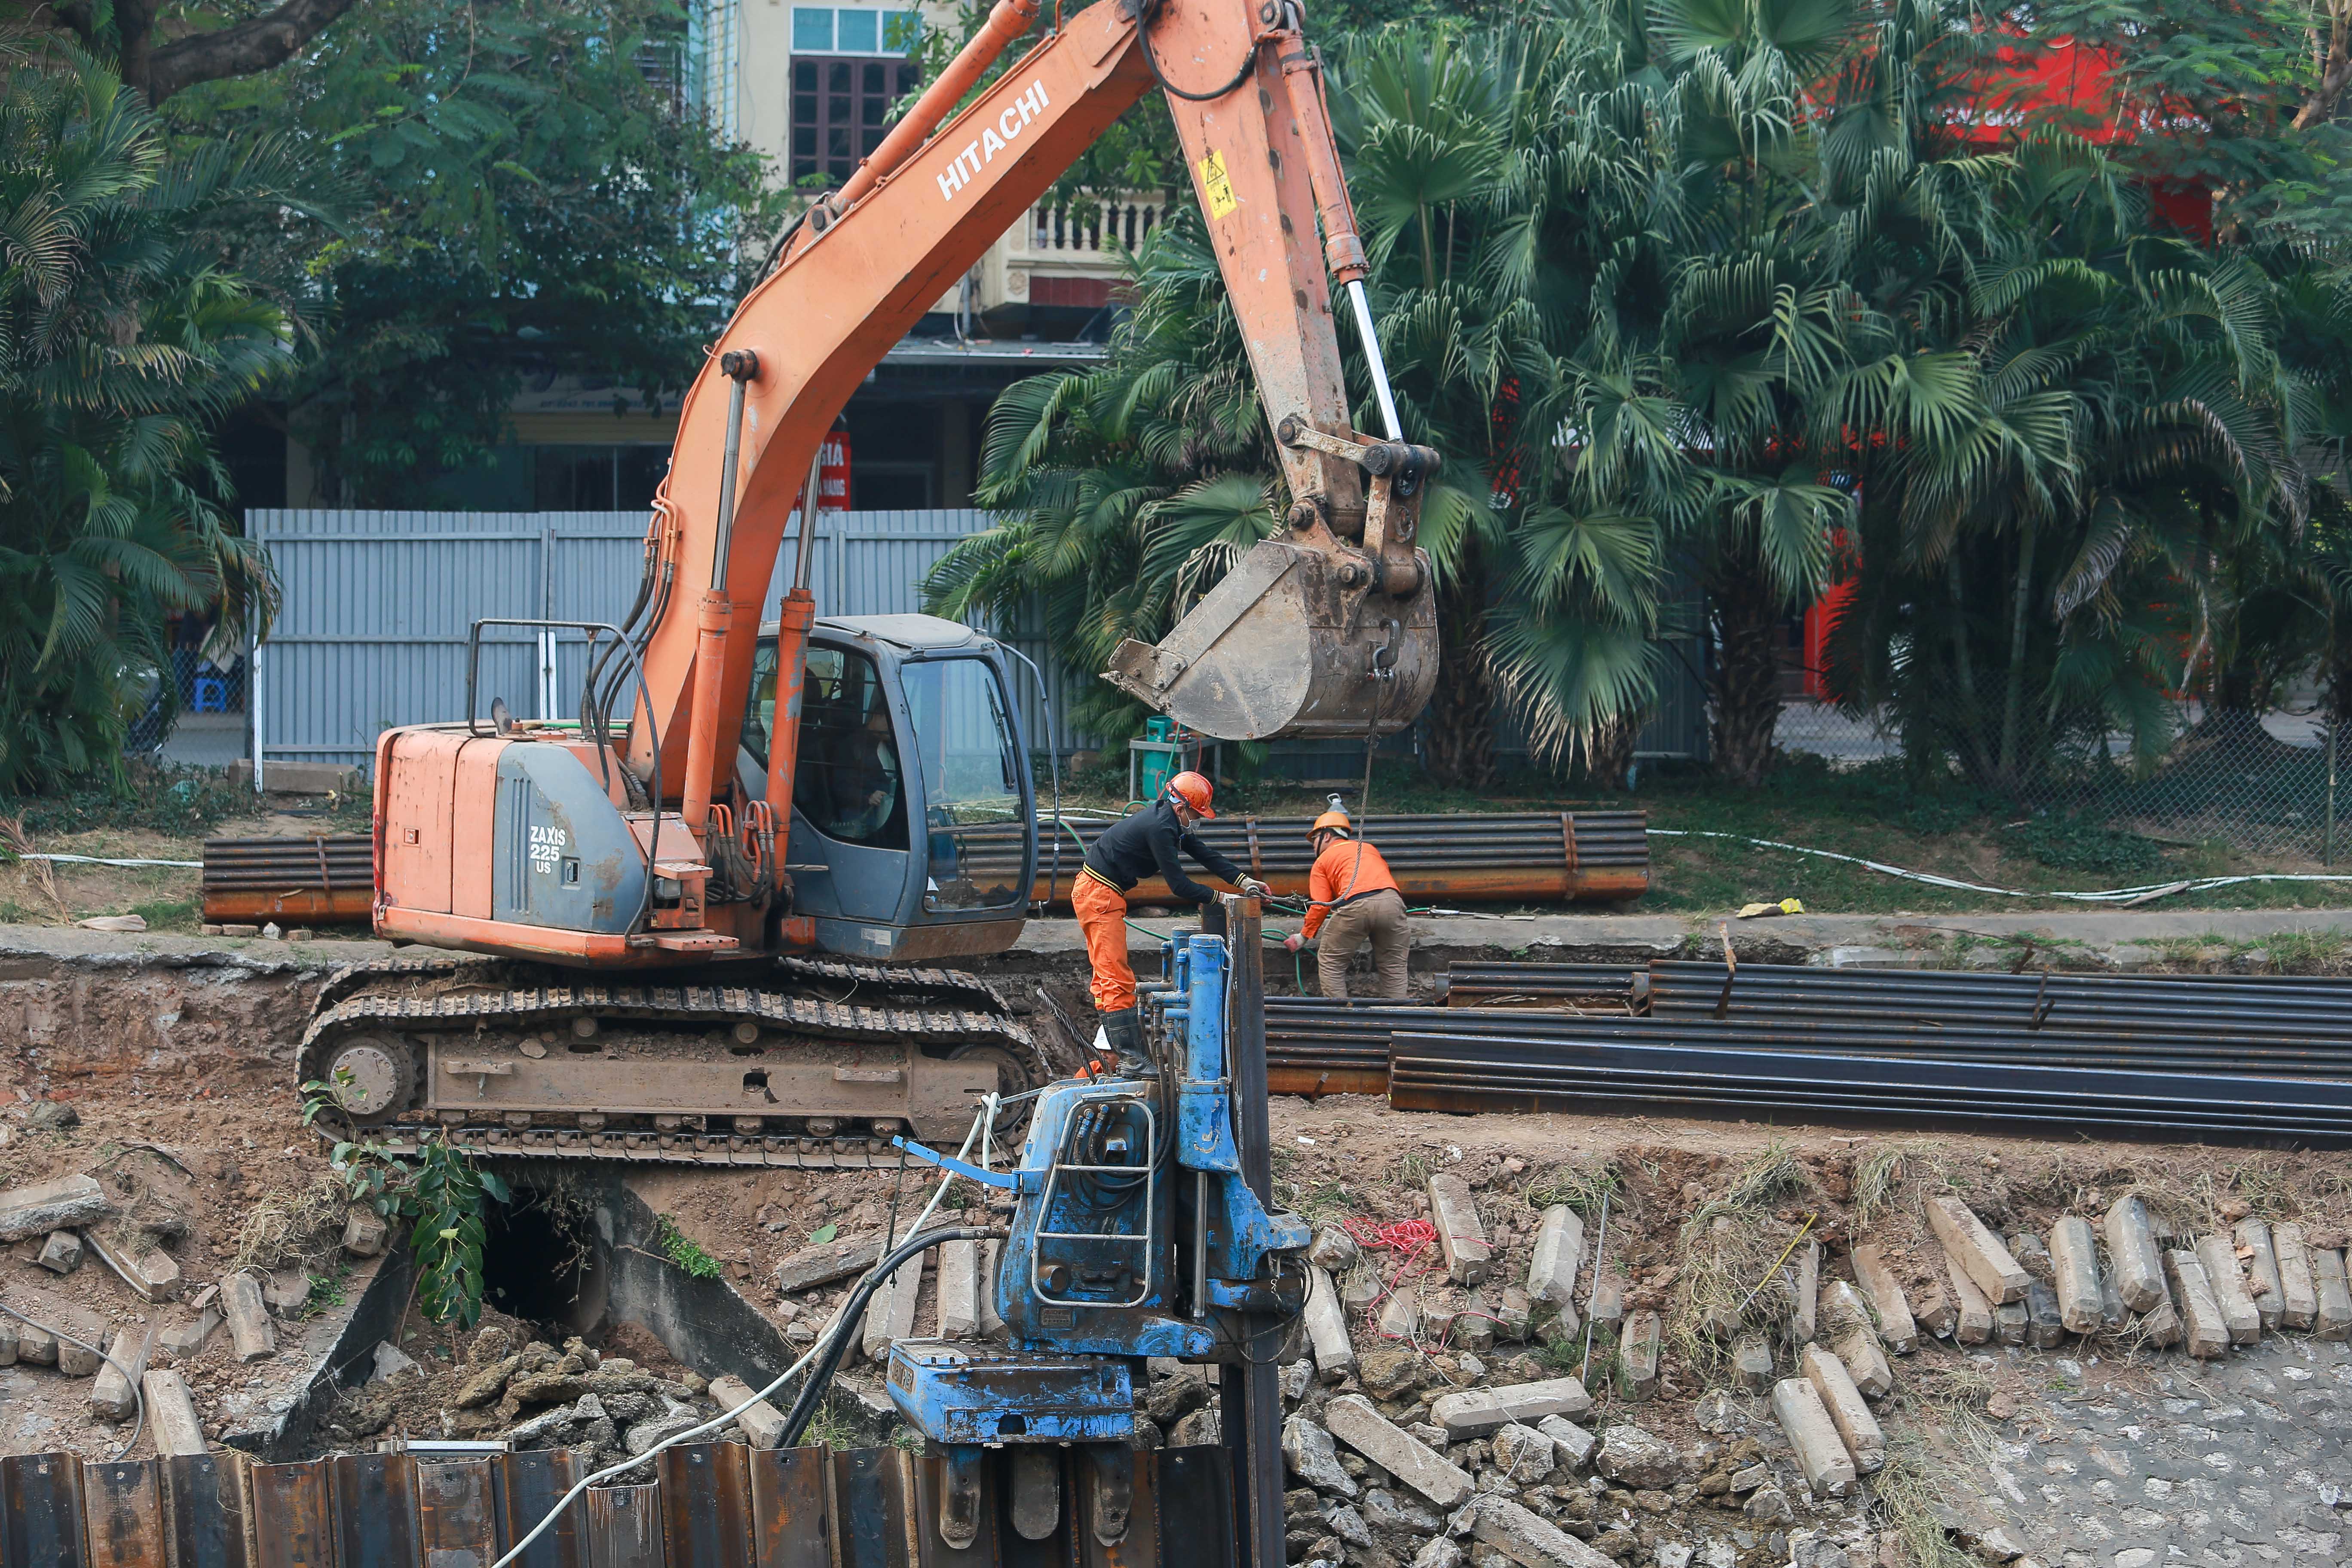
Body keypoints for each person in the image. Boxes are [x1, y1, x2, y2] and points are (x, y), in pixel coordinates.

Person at [1074, 770, 1271, 1073]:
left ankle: (1116, 1060)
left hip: (1099, 893)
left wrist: (1245, 882)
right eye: (1197, 814)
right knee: (1116, 978)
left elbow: (1204, 853)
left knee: (1108, 979)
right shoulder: (1160, 828)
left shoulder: (1168, 820)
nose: (1198, 820)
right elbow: (1179, 885)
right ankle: (1132, 1060)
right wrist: (1224, 899)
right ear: (1182, 808)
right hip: (1099, 896)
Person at [1283, 804, 1409, 999]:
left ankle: (1341, 1019)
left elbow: (1321, 905)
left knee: (1331, 962)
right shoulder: (1368, 849)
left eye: (1314, 839)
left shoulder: (1323, 861)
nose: (1312, 845)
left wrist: (1302, 937)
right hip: (1392, 903)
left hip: (1355, 906)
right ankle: (1397, 1019)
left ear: (1326, 836)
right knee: (1394, 965)